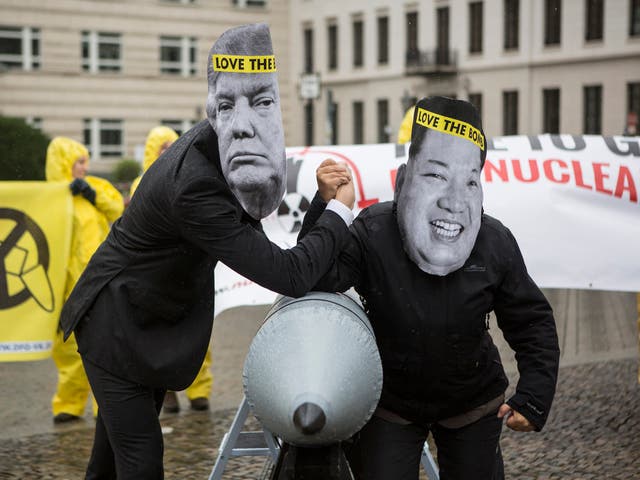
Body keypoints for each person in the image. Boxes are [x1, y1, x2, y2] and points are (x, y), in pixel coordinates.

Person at [59, 23, 354, 479]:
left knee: (109, 462)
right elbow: (290, 275)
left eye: (263, 104)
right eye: (235, 105)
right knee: (140, 459)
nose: (247, 126)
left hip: (143, 320)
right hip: (115, 323)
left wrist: (319, 204)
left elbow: (288, 262)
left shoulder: (218, 149)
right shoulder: (196, 187)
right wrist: (337, 214)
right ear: (216, 108)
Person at [299, 96, 560, 480]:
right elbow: (317, 275)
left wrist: (535, 395)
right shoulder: (374, 231)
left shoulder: (494, 241)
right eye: (435, 175)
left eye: (469, 180)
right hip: (390, 404)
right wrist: (325, 207)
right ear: (404, 180)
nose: (454, 202)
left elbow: (531, 320)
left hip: (473, 403)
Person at [130, 125, 213, 413]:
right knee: (162, 338)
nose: (167, 152)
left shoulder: (189, 179)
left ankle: (200, 390)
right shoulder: (143, 183)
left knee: (197, 333)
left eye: (171, 146)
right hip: (156, 276)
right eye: (161, 147)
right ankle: (165, 392)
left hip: (189, 270)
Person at [45, 137, 124, 424]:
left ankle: (104, 406)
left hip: (99, 282)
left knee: (103, 344)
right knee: (67, 350)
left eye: (85, 161)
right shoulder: (49, 198)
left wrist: (92, 195)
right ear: (64, 163)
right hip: (64, 286)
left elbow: (117, 209)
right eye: (78, 162)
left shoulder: (96, 186)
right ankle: (68, 404)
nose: (84, 167)